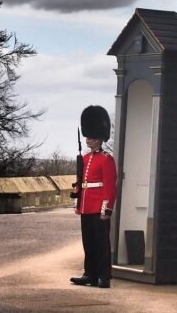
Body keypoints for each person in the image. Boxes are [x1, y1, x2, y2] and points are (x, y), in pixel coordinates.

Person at [70, 105, 117, 289]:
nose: (88, 138)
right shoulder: (86, 159)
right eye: (87, 135)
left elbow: (110, 187)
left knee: (101, 244)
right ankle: (89, 274)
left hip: (99, 208)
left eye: (92, 136)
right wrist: (78, 203)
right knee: (88, 243)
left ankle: (104, 277)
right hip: (86, 207)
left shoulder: (106, 159)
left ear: (99, 138)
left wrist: (107, 209)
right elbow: (81, 183)